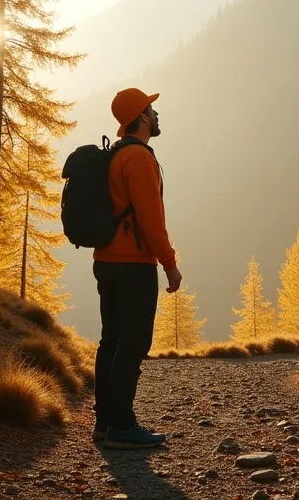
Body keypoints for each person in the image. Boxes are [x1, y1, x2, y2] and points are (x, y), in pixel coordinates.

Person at [92, 87, 183, 449]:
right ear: (142, 116)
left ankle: (104, 422)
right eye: (151, 108)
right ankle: (122, 426)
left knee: (111, 341)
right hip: (134, 265)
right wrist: (169, 264)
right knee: (132, 344)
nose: (156, 114)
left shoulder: (116, 154)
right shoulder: (139, 158)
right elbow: (151, 219)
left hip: (106, 261)